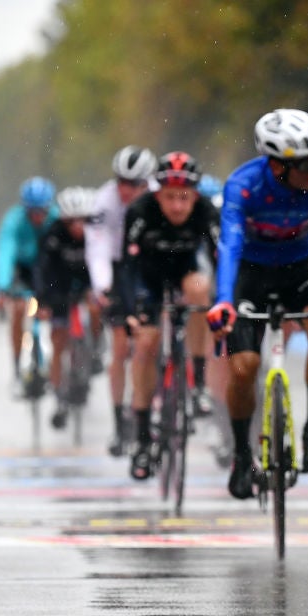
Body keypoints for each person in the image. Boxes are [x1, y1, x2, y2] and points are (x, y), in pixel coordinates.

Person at [207, 108, 308, 500]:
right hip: (251, 274)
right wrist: (222, 300)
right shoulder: (244, 185)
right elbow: (230, 244)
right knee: (245, 367)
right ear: (278, 165)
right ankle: (241, 454)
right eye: (307, 161)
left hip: (297, 270)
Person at [121, 152, 218, 480]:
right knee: (146, 343)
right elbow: (127, 266)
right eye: (169, 197)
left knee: (200, 290)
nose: (177, 206)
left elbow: (221, 258)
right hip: (147, 280)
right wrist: (131, 311)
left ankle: (199, 381)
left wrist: (227, 302)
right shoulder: (139, 211)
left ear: (195, 195)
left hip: (185, 274)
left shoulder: (206, 211)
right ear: (156, 194)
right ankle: (143, 438)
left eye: (184, 197)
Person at [85, 145, 157, 456]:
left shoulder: (160, 197)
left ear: (148, 182)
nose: (126, 190)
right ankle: (118, 422)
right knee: (120, 347)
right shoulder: (104, 202)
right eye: (121, 182)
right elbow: (97, 248)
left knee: (151, 339)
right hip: (116, 268)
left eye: (135, 184)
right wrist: (102, 286)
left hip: (148, 266)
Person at [34, 186, 101, 430]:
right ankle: (58, 396)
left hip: (87, 285)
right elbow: (42, 270)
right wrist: (43, 302)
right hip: (59, 289)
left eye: (82, 220)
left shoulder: (98, 233)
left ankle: (95, 350)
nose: (77, 226)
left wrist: (103, 292)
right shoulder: (53, 236)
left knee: (95, 310)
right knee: (58, 341)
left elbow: (106, 264)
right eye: (71, 221)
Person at [0, 176, 59, 396]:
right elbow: (6, 253)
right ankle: (16, 365)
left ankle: (57, 364)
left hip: (48, 271)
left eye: (43, 211)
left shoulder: (57, 219)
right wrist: (2, 286)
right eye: (33, 212)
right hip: (23, 272)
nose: (38, 217)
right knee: (19, 311)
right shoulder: (14, 221)